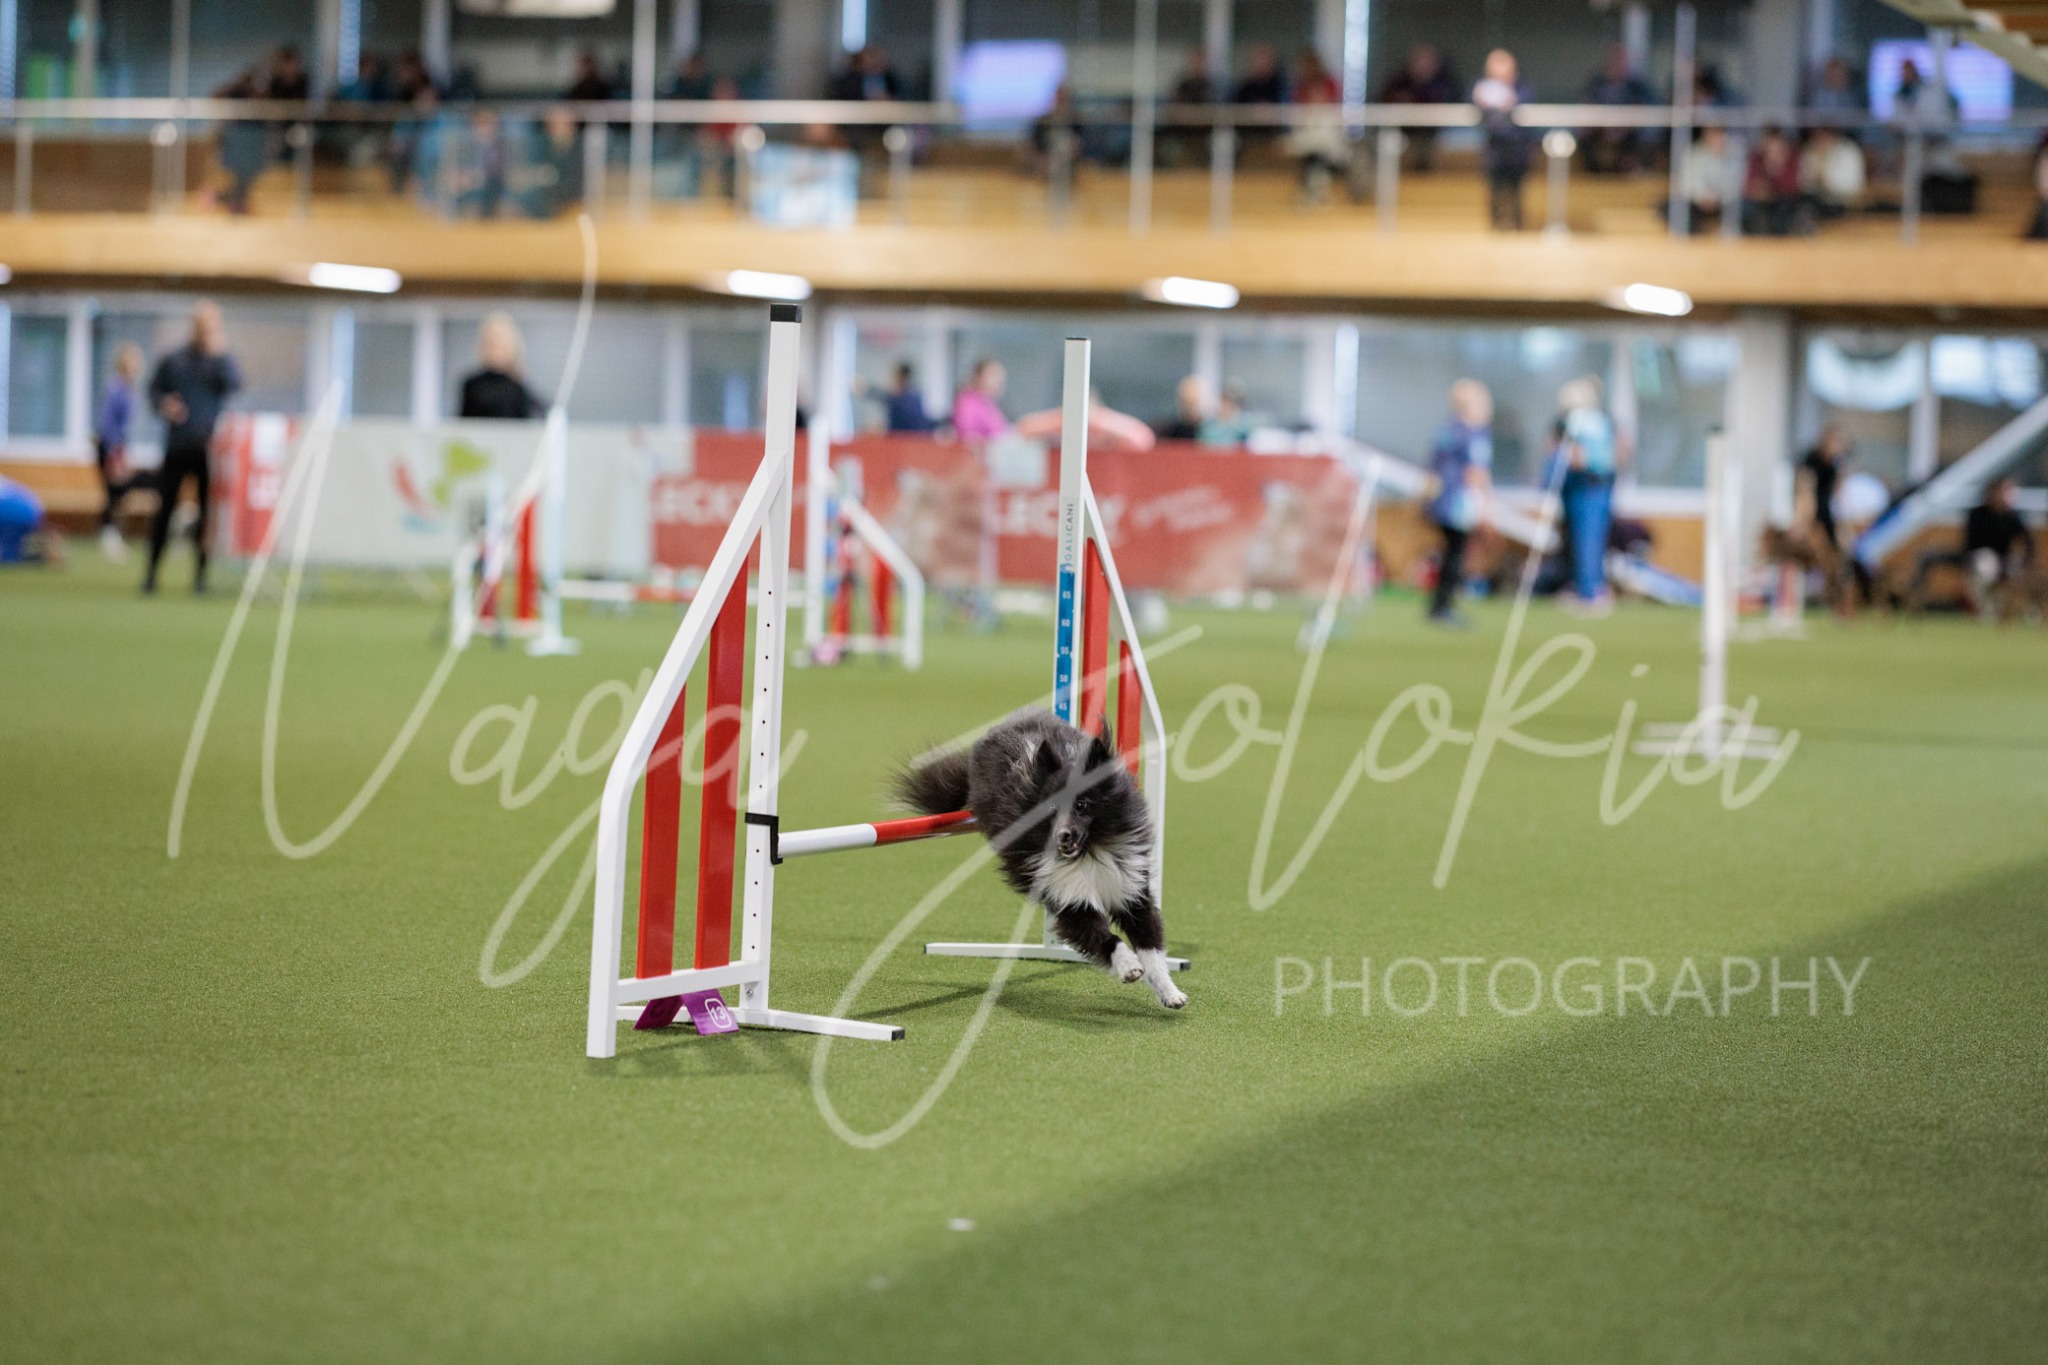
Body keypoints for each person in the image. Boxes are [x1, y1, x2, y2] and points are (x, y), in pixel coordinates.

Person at [144, 301, 241, 595]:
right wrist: (164, 404)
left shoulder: (221, 361)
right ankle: (151, 575)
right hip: (177, 446)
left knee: (205, 514)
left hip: (208, 449)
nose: (204, 332)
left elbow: (234, 386)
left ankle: (200, 578)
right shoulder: (174, 360)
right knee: (165, 510)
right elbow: (153, 391)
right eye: (201, 326)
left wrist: (220, 355)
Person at [1425, 380, 1495, 627]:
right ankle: (1443, 607)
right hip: (1459, 502)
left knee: (1449, 552)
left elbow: (1434, 466)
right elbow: (1476, 472)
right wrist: (1486, 506)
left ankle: (1440, 604)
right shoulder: (1473, 433)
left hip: (1441, 499)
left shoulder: (1448, 429)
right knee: (1456, 554)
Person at [1910, 477, 2036, 611]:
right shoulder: (1977, 514)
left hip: (2000, 561)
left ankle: (1993, 609)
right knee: (1929, 556)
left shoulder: (2013, 517)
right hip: (1972, 557)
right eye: (2003, 491)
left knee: (1987, 566)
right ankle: (1914, 601)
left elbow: (2029, 544)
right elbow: (1970, 544)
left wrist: (2023, 563)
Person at [1556, 375, 1617, 614]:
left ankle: (1590, 592)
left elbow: (1579, 459)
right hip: (1595, 488)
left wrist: (1564, 458)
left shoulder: (1582, 423)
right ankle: (1591, 588)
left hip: (1588, 487)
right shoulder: (1602, 422)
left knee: (1587, 542)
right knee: (1590, 541)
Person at [95, 343, 145, 561]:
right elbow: (108, 423)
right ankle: (109, 536)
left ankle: (112, 534)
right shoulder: (115, 388)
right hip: (110, 447)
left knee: (119, 493)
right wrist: (114, 453)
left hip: (119, 446)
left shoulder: (128, 388)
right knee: (113, 492)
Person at [1473, 49, 1533, 231]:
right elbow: (1472, 102)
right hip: (1494, 149)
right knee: (1494, 190)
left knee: (1517, 190)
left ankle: (1518, 224)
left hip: (1518, 150)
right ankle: (1495, 225)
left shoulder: (1523, 89)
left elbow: (1527, 105)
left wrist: (1511, 100)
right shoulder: (1481, 88)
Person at [1378, 44, 1456, 171]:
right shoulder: (1399, 82)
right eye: (1420, 62)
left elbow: (1448, 103)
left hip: (1434, 131)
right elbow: (1386, 100)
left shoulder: (1444, 83)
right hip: (1405, 130)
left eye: (1427, 62)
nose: (1423, 66)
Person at [1288, 49, 1348, 206]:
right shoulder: (1300, 87)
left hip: (1327, 136)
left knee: (1323, 153)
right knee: (1310, 154)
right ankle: (1312, 191)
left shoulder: (1330, 84)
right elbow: (1296, 115)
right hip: (1307, 136)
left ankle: (1318, 191)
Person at [1581, 45, 1654, 174]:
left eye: (1621, 60)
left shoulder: (1635, 85)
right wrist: (1604, 128)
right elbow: (1590, 107)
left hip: (1627, 131)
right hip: (1601, 129)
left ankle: (1629, 170)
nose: (1617, 63)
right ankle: (1593, 174)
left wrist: (1620, 130)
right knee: (1585, 138)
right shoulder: (1597, 83)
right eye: (1614, 59)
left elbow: (1637, 110)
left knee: (1644, 137)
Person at [460, 314, 545, 419]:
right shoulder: (471, 385)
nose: (495, 349)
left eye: (500, 343)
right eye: (491, 343)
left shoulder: (518, 388)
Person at [1664, 125, 1738, 233]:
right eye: (1711, 133)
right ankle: (1697, 235)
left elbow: (1736, 183)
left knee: (1744, 207)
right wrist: (1702, 196)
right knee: (1671, 208)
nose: (1714, 137)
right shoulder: (1693, 152)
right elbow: (1686, 183)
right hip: (1698, 202)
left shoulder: (1735, 152)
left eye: (1717, 133)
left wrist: (1718, 197)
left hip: (1724, 202)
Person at [1742, 126, 1804, 236]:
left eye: (1777, 146)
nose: (1773, 149)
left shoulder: (1792, 158)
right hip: (1761, 204)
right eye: (1770, 145)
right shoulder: (1756, 158)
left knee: (1787, 207)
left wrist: (1776, 169)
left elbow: (1792, 187)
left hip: (1785, 203)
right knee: (1749, 207)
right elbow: (1749, 186)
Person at [1800, 126, 1866, 220]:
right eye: (1817, 135)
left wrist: (1826, 179)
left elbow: (1854, 184)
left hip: (1843, 203)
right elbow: (1803, 183)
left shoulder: (1848, 151)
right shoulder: (1809, 151)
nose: (1821, 139)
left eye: (1825, 135)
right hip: (1814, 202)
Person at [863, 362, 936, 433]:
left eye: (895, 376)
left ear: (901, 377)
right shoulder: (915, 396)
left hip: (905, 438)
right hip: (916, 436)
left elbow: (885, 397)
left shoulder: (901, 399)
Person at [952, 359, 1009, 441]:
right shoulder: (967, 403)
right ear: (978, 377)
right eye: (992, 375)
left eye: (1000, 376)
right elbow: (968, 436)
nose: (997, 380)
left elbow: (1001, 430)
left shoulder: (989, 404)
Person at [1155, 375, 1210, 440]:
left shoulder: (1207, 430)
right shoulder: (1171, 430)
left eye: (1192, 401)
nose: (1189, 403)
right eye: (1185, 400)